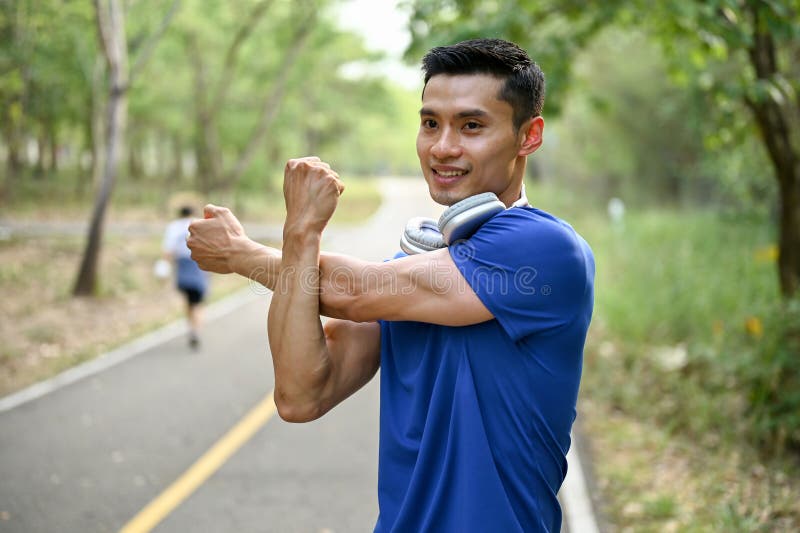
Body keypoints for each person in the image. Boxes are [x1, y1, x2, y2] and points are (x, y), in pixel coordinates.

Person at [187, 38, 594, 532]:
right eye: (430, 124)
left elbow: (357, 291)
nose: (443, 147)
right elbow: (300, 396)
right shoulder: (414, 263)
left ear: (528, 136)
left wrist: (243, 254)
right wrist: (300, 235)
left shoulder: (545, 249)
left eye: (471, 125)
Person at [163, 204, 209, 349]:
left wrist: (165, 268)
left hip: (182, 266)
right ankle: (196, 331)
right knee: (198, 302)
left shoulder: (173, 226)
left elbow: (168, 250)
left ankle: (192, 328)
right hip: (198, 264)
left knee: (189, 301)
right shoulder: (199, 225)